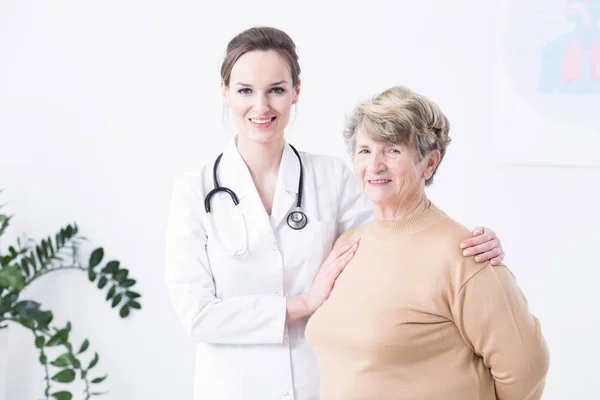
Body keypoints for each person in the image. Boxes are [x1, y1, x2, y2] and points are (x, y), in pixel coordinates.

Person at [164, 26, 506, 400]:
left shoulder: (331, 178)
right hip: (232, 387)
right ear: (225, 92)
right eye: (246, 90)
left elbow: (394, 244)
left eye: (276, 90)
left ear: (296, 91)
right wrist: (303, 304)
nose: (261, 107)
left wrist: (465, 247)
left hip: (322, 383)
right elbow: (197, 316)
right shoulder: (193, 191)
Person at [305, 86, 550, 400]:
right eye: (365, 150)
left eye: (393, 150)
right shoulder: (348, 244)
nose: (375, 165)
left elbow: (527, 367)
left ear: (429, 163)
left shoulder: (465, 254)